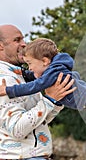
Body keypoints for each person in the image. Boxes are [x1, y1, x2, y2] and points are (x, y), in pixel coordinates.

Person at [0, 24, 76, 159]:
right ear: (0, 46)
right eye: (17, 40)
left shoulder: (23, 76)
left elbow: (41, 121)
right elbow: (17, 130)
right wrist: (49, 100)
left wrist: (56, 100)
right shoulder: (4, 79)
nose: (24, 44)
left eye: (23, 39)